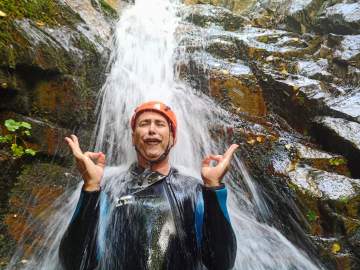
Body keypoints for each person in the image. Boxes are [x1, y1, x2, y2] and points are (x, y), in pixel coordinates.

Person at [59, 101, 238, 270]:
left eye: (160, 124)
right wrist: (90, 187)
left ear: (173, 138)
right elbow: (75, 263)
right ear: (133, 138)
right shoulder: (109, 190)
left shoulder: (193, 190)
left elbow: (221, 263)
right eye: (144, 123)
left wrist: (214, 188)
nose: (152, 129)